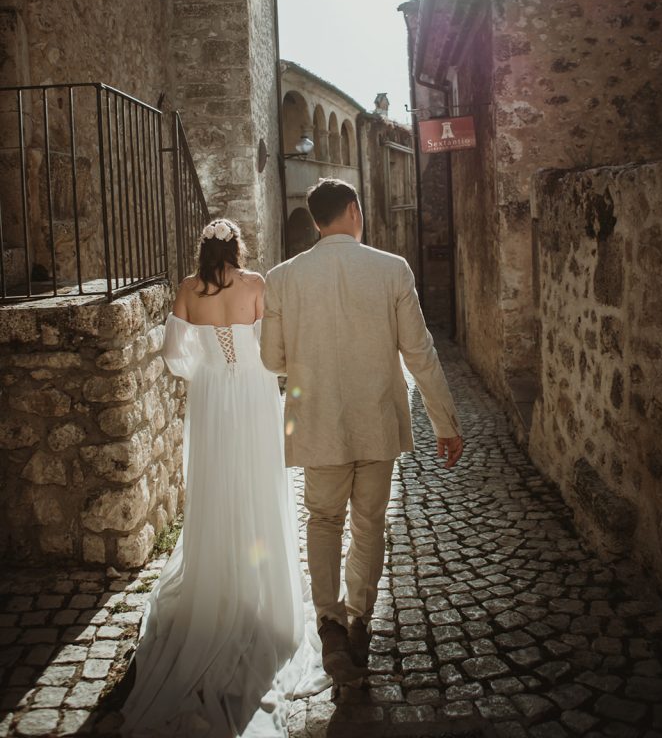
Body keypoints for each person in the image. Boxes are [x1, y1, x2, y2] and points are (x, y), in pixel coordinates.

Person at [122, 219, 326, 738]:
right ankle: (261, 594)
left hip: (211, 398)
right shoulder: (256, 284)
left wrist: (208, 368)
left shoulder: (187, 290)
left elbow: (175, 357)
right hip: (255, 396)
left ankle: (218, 581)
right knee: (257, 483)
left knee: (216, 485)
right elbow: (272, 349)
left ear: (203, 249)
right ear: (237, 247)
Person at [260, 179, 464, 684]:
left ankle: (329, 623)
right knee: (369, 524)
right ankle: (360, 620)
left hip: (318, 421)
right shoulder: (392, 269)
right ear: (354, 210)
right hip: (376, 418)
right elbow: (419, 351)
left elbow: (272, 359)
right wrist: (445, 421)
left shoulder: (282, 278)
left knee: (323, 520)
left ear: (316, 221)